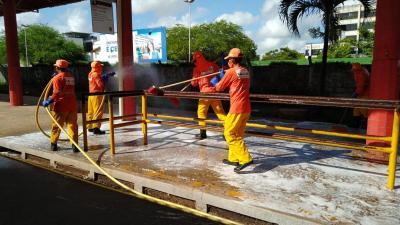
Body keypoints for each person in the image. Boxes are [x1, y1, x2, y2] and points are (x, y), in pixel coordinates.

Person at [205, 48, 253, 172]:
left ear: (232, 60)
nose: (227, 62)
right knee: (237, 134)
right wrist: (225, 74)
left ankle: (245, 158)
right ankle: (233, 158)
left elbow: (219, 87)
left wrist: (213, 83)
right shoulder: (245, 71)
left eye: (228, 60)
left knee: (229, 134)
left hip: (237, 108)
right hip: (246, 108)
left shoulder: (231, 72)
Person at [42, 59, 79, 152]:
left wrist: (49, 100)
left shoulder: (57, 78)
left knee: (57, 126)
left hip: (61, 106)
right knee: (72, 126)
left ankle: (53, 144)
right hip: (72, 105)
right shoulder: (71, 77)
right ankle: (75, 146)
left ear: (57, 67)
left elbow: (57, 93)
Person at [191, 51, 226, 139]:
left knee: (201, 113)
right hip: (215, 93)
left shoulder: (196, 69)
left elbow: (194, 83)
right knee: (220, 113)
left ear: (196, 60)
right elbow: (220, 75)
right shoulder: (213, 65)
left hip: (204, 94)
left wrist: (192, 80)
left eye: (194, 61)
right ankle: (227, 133)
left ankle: (202, 134)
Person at [87, 61, 115, 135]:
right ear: (98, 67)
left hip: (91, 95)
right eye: (100, 66)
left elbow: (95, 81)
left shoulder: (90, 74)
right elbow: (101, 85)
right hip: (97, 95)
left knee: (91, 111)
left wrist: (104, 76)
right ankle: (96, 128)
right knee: (98, 111)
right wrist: (104, 80)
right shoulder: (96, 75)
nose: (101, 68)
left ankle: (90, 126)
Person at [351, 63, 370, 128]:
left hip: (365, 94)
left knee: (364, 110)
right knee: (356, 110)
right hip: (362, 94)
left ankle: (366, 126)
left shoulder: (360, 74)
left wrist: (356, 93)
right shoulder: (363, 71)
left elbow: (361, 86)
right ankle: (355, 125)